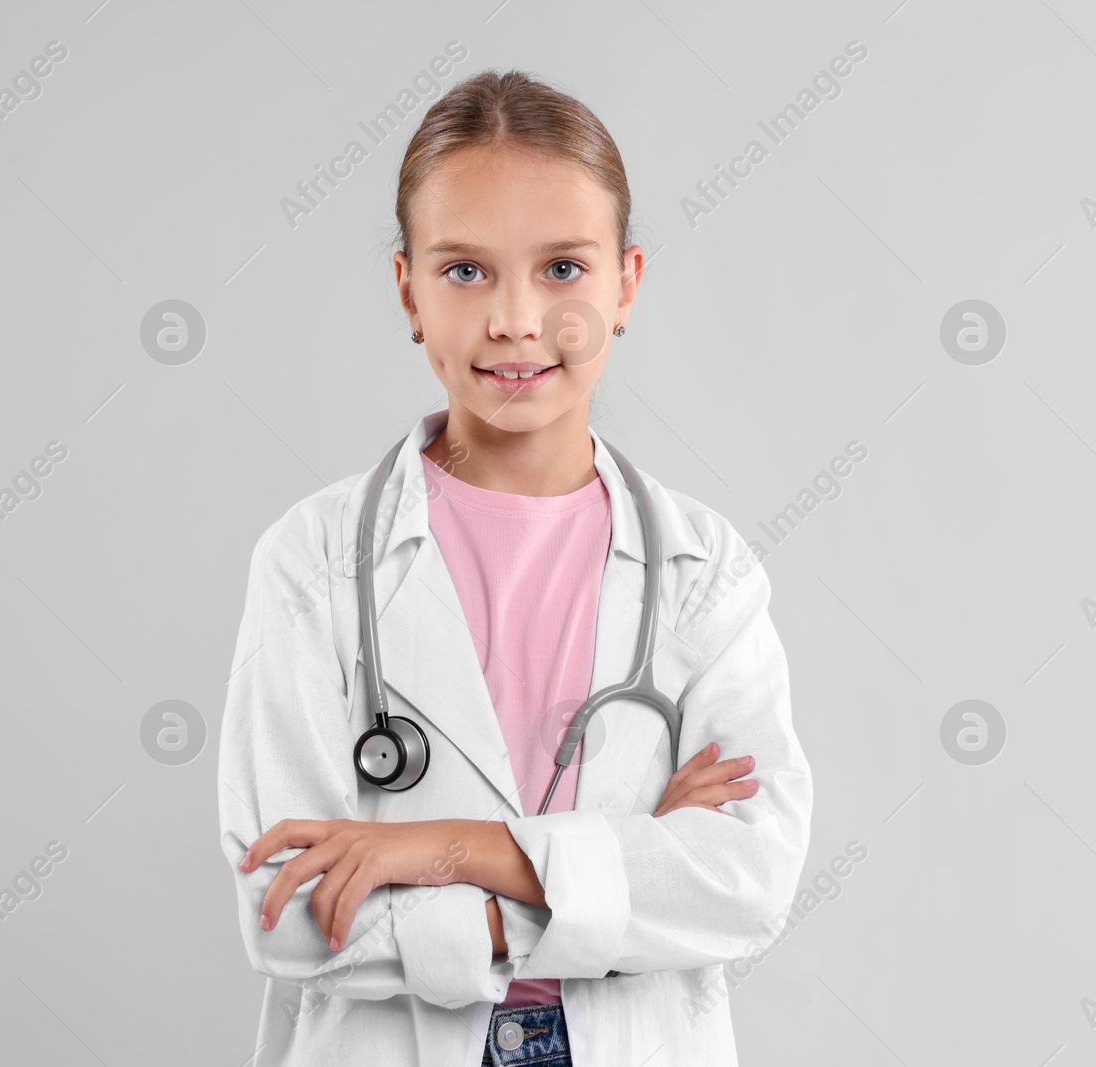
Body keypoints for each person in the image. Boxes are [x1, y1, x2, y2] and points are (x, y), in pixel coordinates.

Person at [216, 69, 813, 1067]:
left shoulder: (705, 570)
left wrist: (441, 848)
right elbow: (284, 913)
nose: (515, 318)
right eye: (464, 271)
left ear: (627, 283)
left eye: (563, 269)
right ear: (407, 288)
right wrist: (610, 871)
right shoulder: (313, 563)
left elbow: (747, 878)